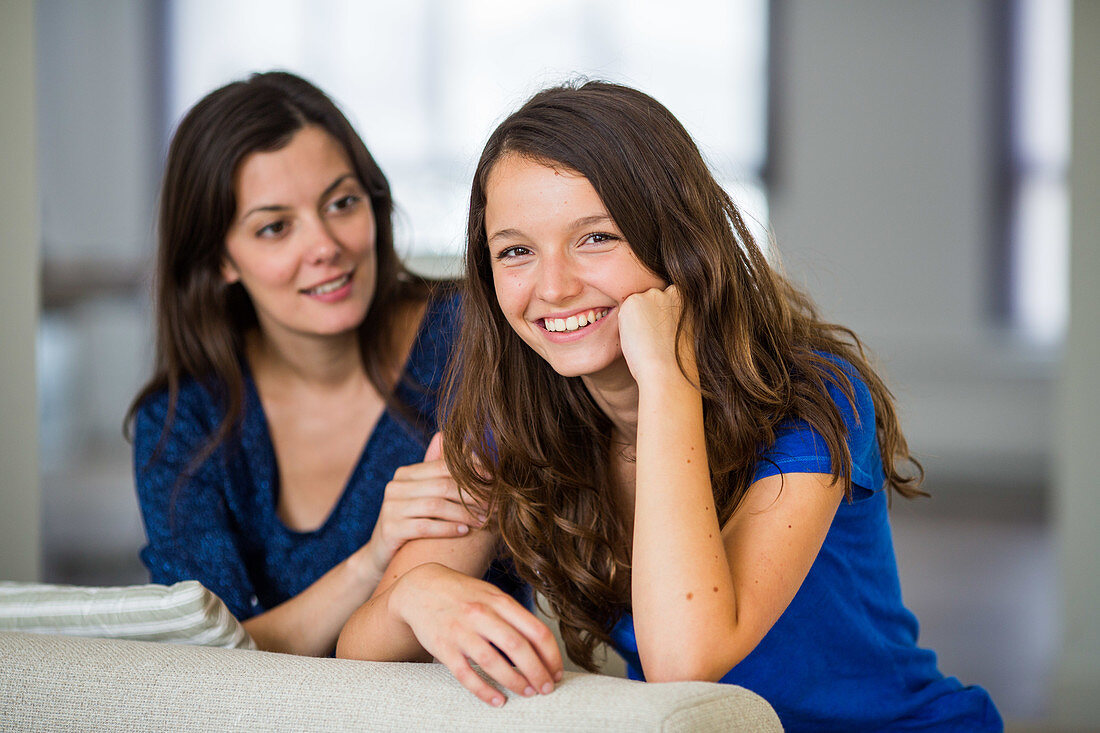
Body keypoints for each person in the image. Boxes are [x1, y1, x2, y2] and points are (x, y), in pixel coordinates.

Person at [335, 80, 1002, 730]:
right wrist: (417, 596)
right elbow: (358, 655)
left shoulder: (809, 395)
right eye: (516, 251)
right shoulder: (511, 421)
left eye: (596, 238)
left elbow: (685, 657)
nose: (555, 286)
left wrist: (667, 380)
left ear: (677, 241)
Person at [127, 71, 524, 657]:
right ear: (218, 259)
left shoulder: (475, 336)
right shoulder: (182, 422)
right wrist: (373, 561)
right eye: (274, 227)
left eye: (342, 203)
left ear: (375, 201)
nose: (325, 247)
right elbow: (204, 660)